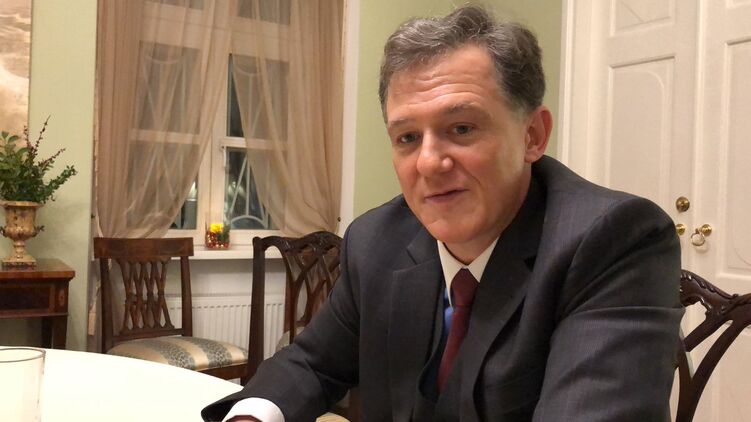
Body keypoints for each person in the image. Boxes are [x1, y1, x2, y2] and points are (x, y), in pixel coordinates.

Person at [203, 5, 683, 422]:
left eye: (461, 128)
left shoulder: (612, 241)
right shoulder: (377, 239)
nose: (429, 163)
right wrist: (252, 416)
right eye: (408, 137)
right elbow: (312, 363)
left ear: (532, 136)